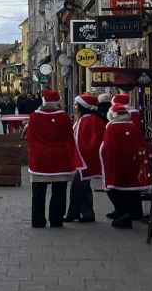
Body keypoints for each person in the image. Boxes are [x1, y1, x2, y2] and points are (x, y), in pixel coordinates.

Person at [25, 89, 83, 228]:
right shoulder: (64, 117)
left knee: (38, 192)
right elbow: (69, 138)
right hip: (60, 159)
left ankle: (38, 221)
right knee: (60, 191)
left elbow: (30, 138)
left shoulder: (34, 116)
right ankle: (56, 219)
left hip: (40, 160)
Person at [100, 103, 152, 229]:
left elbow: (108, 147)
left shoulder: (111, 128)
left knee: (116, 190)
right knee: (132, 190)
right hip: (133, 164)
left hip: (117, 164)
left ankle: (123, 213)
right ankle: (134, 212)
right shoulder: (132, 127)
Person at [65, 93, 105, 223]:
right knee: (84, 187)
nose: (74, 106)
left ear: (83, 106)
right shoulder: (88, 119)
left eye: (76, 104)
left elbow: (89, 142)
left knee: (77, 187)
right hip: (83, 160)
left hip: (84, 161)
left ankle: (73, 213)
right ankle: (88, 214)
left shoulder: (88, 120)